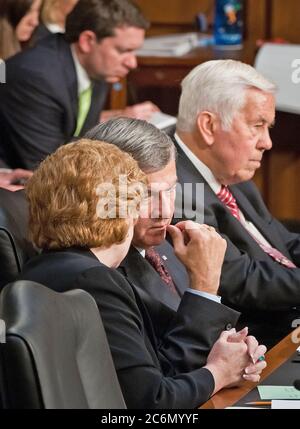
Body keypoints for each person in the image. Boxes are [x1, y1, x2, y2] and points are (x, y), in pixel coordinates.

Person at [19, 139, 266, 409]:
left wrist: (223, 358)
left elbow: (153, 372)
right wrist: (218, 372)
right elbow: (152, 402)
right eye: (140, 198)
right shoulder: (93, 281)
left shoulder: (50, 269)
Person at [85, 117, 249, 362]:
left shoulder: (171, 242)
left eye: (170, 190)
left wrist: (232, 348)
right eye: (146, 195)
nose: (164, 211)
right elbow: (162, 381)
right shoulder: (103, 271)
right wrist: (205, 286)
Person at [173, 59, 300, 348]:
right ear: (208, 126)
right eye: (257, 126)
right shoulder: (176, 187)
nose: (266, 142)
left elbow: (280, 246)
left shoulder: (231, 171)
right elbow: (239, 280)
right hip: (256, 338)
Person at [0, 0, 157, 170]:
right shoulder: (36, 77)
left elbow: (82, 139)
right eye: (123, 51)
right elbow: (46, 168)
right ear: (87, 41)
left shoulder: (97, 66)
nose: (132, 63)